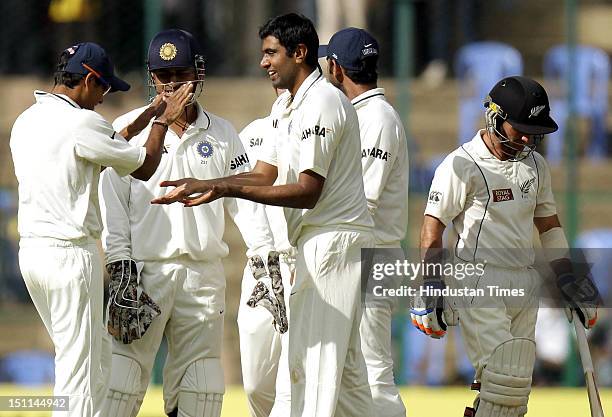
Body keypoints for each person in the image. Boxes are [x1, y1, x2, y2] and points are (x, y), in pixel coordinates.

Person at [152, 13, 376, 417]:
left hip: (334, 240)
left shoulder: (324, 101)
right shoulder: (285, 105)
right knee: (351, 384)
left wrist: (222, 188)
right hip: (315, 241)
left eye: (271, 53)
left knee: (316, 370)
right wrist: (209, 182)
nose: (263, 63)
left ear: (300, 52)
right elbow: (263, 174)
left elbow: (308, 191)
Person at [98, 29, 276, 417]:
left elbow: (242, 200)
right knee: (121, 381)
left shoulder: (223, 132)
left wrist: (264, 255)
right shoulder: (131, 126)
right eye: (163, 76)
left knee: (202, 385)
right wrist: (119, 261)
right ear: (151, 76)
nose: (172, 85)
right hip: (145, 271)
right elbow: (111, 200)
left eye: (180, 74)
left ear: (198, 73)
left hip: (202, 274)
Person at [9, 42, 189, 417]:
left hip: (33, 256)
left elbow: (106, 146)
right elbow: (142, 166)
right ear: (89, 79)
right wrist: (164, 119)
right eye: (104, 88)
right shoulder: (81, 123)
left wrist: (150, 111)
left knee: (85, 359)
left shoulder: (28, 119)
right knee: (82, 373)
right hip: (70, 256)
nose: (103, 98)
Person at [411, 75, 600, 417]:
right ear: (495, 117)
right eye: (520, 129)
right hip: (478, 279)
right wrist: (430, 286)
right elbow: (431, 229)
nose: (527, 138)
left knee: (514, 396)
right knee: (503, 381)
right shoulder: (463, 164)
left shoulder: (536, 167)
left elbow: (550, 227)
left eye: (533, 131)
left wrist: (571, 279)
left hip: (522, 281)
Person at [319, 27, 408, 417]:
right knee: (348, 373)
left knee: (373, 374)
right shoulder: (358, 114)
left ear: (336, 68)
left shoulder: (378, 119)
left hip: (369, 256)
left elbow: (363, 203)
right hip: (356, 254)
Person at [237, 87, 294, 417]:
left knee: (292, 381)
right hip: (260, 269)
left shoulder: (326, 124)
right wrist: (263, 256)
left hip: (299, 263)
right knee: (256, 385)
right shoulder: (252, 134)